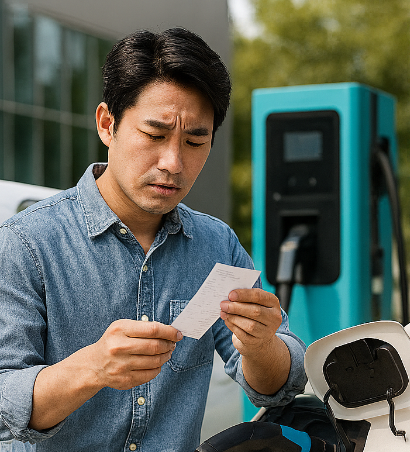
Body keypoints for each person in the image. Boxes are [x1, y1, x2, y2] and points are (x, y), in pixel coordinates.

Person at [0, 28, 307, 451]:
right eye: (155, 135)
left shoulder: (216, 244)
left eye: (195, 141)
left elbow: (279, 387)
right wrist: (93, 367)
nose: (173, 162)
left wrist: (261, 346)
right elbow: (5, 402)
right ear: (107, 124)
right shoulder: (26, 243)